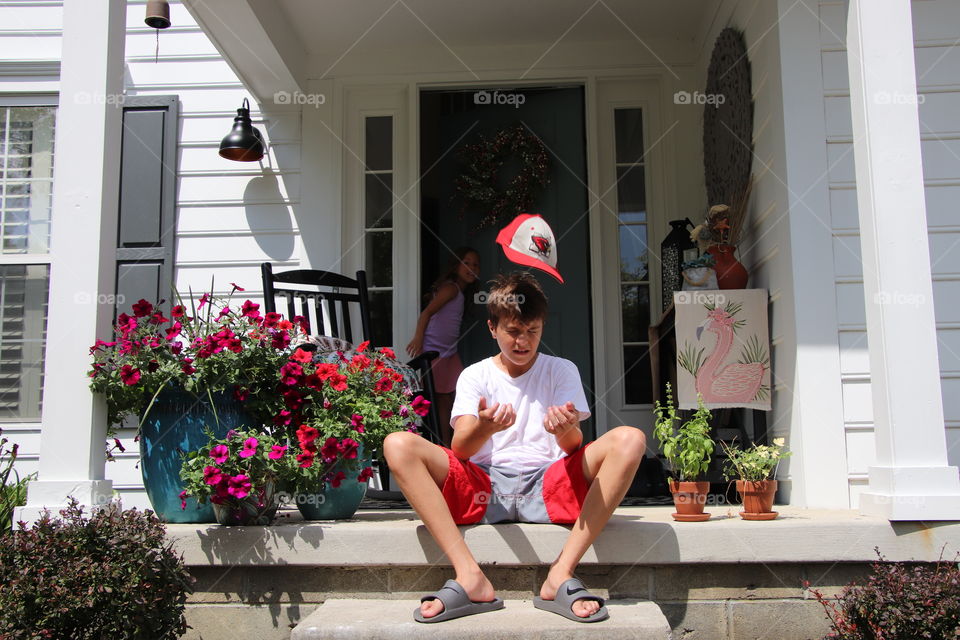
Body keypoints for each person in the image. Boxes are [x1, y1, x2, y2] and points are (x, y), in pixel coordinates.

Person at [385, 272, 646, 624]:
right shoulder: (475, 375)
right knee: (398, 443)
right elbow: (459, 449)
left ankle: (561, 573)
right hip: (483, 487)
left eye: (532, 331)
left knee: (631, 438)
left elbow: (572, 448)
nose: (523, 341)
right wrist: (485, 427)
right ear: (492, 328)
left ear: (541, 328)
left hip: (550, 485)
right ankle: (470, 576)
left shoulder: (560, 370)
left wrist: (565, 429)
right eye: (513, 331)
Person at [406, 247, 480, 446]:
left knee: (462, 394)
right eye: (467, 262)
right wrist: (418, 338)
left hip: (449, 353)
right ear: (456, 266)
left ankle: (458, 440)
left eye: (475, 264)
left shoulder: (461, 293)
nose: (471, 267)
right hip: (435, 352)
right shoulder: (451, 288)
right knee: (442, 401)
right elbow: (427, 313)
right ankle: (446, 445)